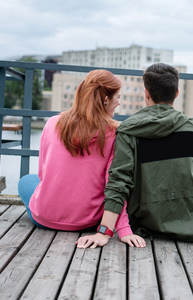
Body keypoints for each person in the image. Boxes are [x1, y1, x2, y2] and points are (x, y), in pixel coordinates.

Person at [76, 63, 193, 248]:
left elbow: (118, 181)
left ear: (146, 93)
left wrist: (104, 232)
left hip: (145, 222)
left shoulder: (128, 130)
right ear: (177, 93)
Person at [17, 69, 146, 248]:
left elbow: (43, 173)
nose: (119, 102)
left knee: (26, 180)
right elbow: (115, 183)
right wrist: (123, 228)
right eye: (118, 97)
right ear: (105, 99)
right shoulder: (114, 133)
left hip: (44, 218)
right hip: (89, 222)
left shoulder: (52, 123)